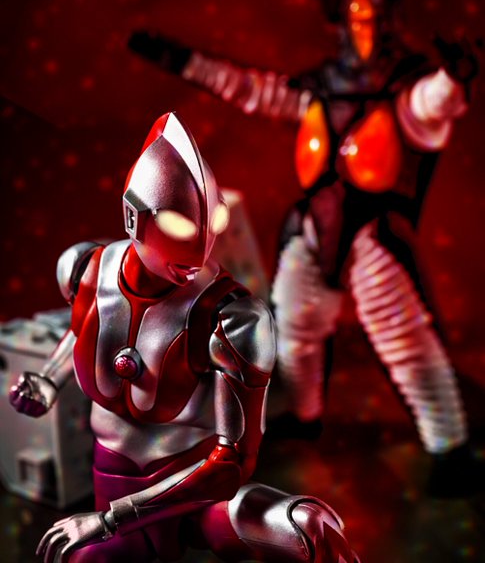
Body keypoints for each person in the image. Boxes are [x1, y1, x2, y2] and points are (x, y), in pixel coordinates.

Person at [128, 0, 479, 496]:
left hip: (373, 235)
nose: (365, 11)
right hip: (312, 228)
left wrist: (454, 78)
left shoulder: (405, 87)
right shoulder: (318, 86)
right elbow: (251, 88)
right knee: (293, 327)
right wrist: (183, 61)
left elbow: (428, 107)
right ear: (340, 6)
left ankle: (448, 444)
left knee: (405, 342)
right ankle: (307, 414)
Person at [9, 112, 359, 562]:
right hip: (112, 487)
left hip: (195, 496)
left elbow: (232, 463)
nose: (199, 250)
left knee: (309, 528)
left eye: (214, 222)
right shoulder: (85, 271)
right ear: (133, 216)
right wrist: (50, 379)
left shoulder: (234, 318)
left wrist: (111, 519)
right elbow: (85, 329)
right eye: (179, 226)